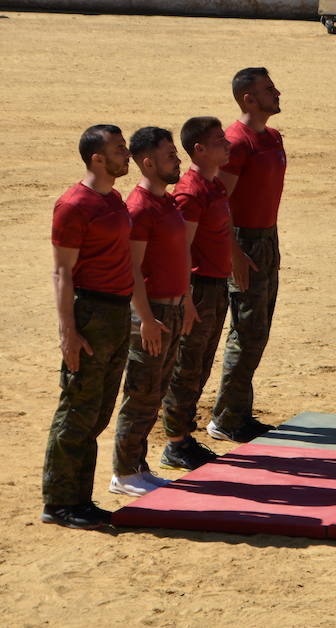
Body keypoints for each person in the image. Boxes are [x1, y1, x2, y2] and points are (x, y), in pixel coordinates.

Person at [42, 125, 133, 529]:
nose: (126, 153)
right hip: (91, 313)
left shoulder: (113, 199)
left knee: (96, 412)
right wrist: (68, 332)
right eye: (118, 149)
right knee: (78, 409)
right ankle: (60, 502)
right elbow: (62, 272)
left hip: (116, 313)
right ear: (97, 158)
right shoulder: (73, 205)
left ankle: (79, 498)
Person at [110, 127, 197, 496]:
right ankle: (124, 473)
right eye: (169, 156)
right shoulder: (141, 207)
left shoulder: (166, 202)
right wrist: (145, 318)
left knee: (157, 390)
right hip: (153, 314)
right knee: (142, 392)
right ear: (148, 162)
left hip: (173, 310)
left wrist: (187, 302)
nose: (177, 160)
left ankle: (138, 466)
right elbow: (132, 269)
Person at [208, 68, 286, 443]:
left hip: (267, 239)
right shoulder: (236, 142)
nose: (277, 94)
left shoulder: (270, 137)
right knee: (247, 329)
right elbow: (218, 202)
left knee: (258, 329)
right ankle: (225, 418)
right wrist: (234, 253)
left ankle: (238, 410)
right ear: (247, 99)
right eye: (269, 90)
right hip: (244, 242)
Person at [159, 117, 233, 470]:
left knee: (201, 364)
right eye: (219, 140)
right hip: (198, 290)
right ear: (199, 149)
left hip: (216, 286)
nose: (227, 143)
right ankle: (175, 440)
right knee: (187, 365)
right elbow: (181, 249)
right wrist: (186, 299)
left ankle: (184, 436)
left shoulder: (214, 185)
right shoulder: (190, 192)